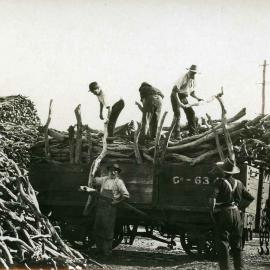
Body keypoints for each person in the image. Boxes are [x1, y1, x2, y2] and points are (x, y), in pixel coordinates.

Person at [209, 158, 254, 270]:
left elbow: (212, 199)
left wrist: (212, 211)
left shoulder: (219, 182)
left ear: (224, 171)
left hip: (223, 214)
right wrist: (240, 207)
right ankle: (239, 268)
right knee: (237, 245)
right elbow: (250, 198)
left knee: (223, 243)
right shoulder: (239, 183)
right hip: (236, 214)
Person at [89, 163, 129, 256]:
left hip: (110, 208)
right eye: (111, 170)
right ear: (108, 172)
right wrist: (93, 171)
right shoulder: (104, 179)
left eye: (115, 171)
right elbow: (93, 180)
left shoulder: (119, 182)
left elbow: (126, 195)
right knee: (98, 227)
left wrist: (116, 202)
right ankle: (99, 250)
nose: (113, 172)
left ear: (117, 173)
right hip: (100, 207)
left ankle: (107, 251)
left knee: (108, 230)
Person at [170, 64, 204, 139]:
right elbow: (174, 91)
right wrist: (179, 103)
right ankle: (177, 134)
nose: (194, 74)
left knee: (191, 113)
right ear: (189, 71)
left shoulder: (193, 80)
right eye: (192, 72)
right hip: (175, 96)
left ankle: (192, 133)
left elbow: (192, 92)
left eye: (195, 73)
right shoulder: (183, 77)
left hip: (183, 97)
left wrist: (198, 98)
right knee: (177, 114)